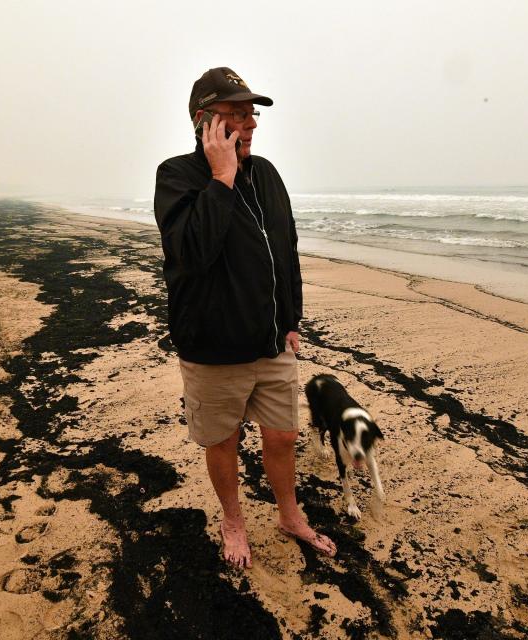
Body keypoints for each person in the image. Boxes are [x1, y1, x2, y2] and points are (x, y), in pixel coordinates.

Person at [153, 67, 337, 569]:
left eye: (250, 112)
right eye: (236, 113)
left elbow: (287, 249)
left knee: (282, 436)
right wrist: (222, 178)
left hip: (272, 342)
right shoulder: (176, 177)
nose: (250, 123)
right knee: (224, 441)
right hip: (213, 349)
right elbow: (191, 252)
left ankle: (289, 514)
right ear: (204, 122)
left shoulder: (270, 174)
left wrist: (292, 317)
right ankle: (233, 519)